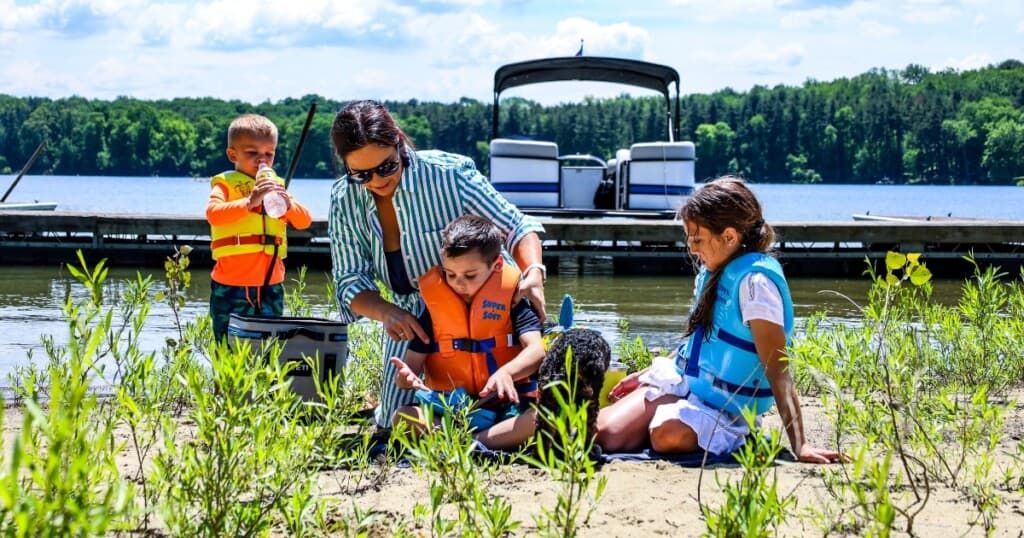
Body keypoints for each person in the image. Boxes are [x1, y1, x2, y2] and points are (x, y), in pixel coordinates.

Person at [328, 100, 547, 428]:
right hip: (411, 318)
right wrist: (387, 312)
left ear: (399, 142)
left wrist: (534, 273)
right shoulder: (344, 199)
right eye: (361, 174)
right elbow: (350, 280)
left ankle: (484, 429)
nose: (376, 180)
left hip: (491, 309)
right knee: (391, 423)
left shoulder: (451, 173)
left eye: (386, 167)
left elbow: (517, 226)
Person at [595, 177, 842, 463]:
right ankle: (664, 411)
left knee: (666, 435)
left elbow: (778, 368)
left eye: (697, 239)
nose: (691, 248)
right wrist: (650, 374)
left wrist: (801, 445)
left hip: (728, 408)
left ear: (729, 237)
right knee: (607, 434)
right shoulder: (711, 273)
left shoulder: (755, 285)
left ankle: (742, 435)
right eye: (689, 238)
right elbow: (701, 343)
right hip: (689, 385)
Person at [389, 215, 545, 450]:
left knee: (537, 420)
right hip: (450, 410)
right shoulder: (434, 309)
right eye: (450, 274)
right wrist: (405, 378)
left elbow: (537, 351)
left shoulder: (513, 302)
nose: (458, 283)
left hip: (505, 408)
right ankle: (478, 442)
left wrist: (507, 373)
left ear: (497, 265)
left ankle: (472, 443)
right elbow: (412, 365)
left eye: (469, 275)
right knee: (402, 417)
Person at [206, 113, 312, 342]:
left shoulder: (276, 186)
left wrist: (288, 204)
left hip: (270, 285)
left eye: (268, 154)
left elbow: (305, 221)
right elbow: (214, 214)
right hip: (231, 284)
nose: (261, 161)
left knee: (268, 346)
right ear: (232, 154)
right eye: (252, 153)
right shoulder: (225, 186)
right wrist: (249, 203)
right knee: (227, 347)